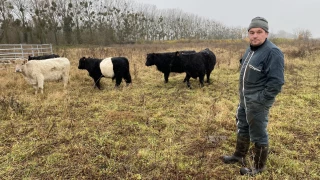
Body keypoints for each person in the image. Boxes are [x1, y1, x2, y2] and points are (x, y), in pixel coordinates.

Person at [221, 17, 285, 176]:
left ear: (266, 34)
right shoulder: (250, 49)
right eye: (251, 32)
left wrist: (261, 101)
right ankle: (238, 155)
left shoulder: (273, 52)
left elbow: (276, 82)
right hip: (244, 100)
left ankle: (258, 167)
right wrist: (244, 98)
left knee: (258, 133)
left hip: (257, 102)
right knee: (242, 126)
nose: (254, 35)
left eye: (259, 32)